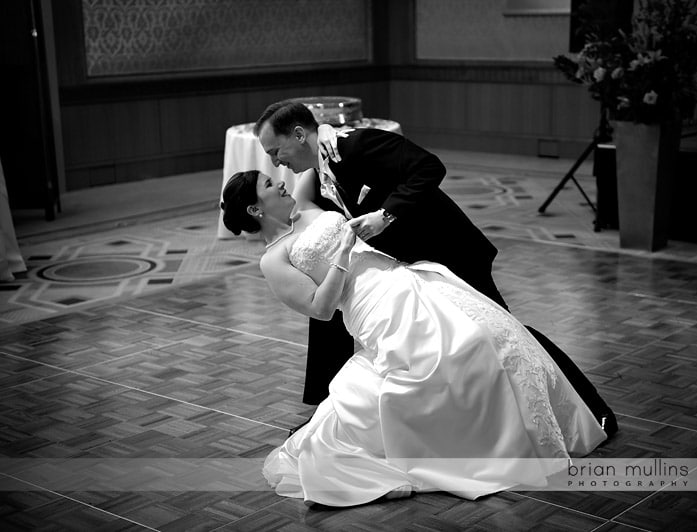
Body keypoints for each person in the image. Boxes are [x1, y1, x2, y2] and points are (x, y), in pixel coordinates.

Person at [220, 171, 609, 506]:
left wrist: (322, 131)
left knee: (489, 332)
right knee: (442, 358)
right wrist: (343, 252)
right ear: (256, 209)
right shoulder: (273, 259)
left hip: (406, 277)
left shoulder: (305, 206)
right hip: (370, 306)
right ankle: (470, 449)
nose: (282, 184)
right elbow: (321, 308)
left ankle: (522, 433)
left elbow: (311, 161)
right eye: (270, 184)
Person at [254, 101, 618, 438]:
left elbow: (430, 167)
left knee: (506, 329)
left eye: (276, 151)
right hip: (410, 262)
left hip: (450, 250)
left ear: (299, 135)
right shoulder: (323, 163)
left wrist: (385, 215)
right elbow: (304, 201)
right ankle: (327, 412)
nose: (276, 161)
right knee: (329, 315)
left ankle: (591, 405)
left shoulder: (356, 146)